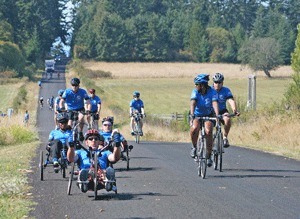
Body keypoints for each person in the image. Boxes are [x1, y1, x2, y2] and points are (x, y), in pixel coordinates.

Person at [67, 129, 121, 193]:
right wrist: (71, 146)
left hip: (101, 175)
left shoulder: (105, 152)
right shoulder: (80, 152)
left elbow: (115, 158)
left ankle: (108, 182)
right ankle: (83, 183)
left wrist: (117, 146)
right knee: (84, 171)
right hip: (87, 175)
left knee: (108, 170)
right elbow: (71, 159)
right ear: (86, 142)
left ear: (99, 142)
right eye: (90, 139)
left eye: (96, 139)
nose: (93, 140)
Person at [189, 73, 219, 167]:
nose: (195, 86)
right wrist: (192, 115)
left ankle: (209, 155)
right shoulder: (195, 92)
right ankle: (194, 147)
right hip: (197, 115)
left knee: (208, 131)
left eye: (197, 84)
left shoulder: (212, 92)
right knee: (194, 128)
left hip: (208, 115)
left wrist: (217, 115)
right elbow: (193, 103)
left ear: (202, 85)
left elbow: (214, 103)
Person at [212, 73, 240, 148]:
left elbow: (230, 100)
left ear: (222, 83)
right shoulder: (209, 90)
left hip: (222, 111)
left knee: (227, 120)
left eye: (219, 82)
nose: (217, 84)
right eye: (216, 82)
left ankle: (225, 137)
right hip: (211, 111)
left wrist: (234, 110)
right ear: (213, 82)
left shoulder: (226, 90)